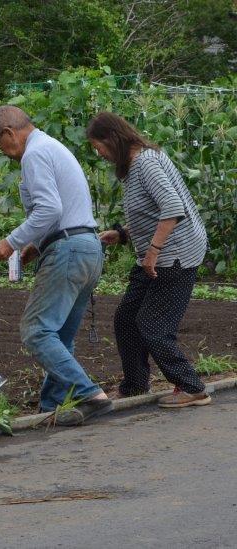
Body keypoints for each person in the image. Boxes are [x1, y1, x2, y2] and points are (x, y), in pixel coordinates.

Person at [0, 106, 111, 425]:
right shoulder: (52, 146)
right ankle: (50, 406)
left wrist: (12, 242)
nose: (2, 152)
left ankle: (89, 394)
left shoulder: (34, 154)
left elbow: (49, 210)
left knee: (36, 331)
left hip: (69, 250)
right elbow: (63, 209)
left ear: (9, 133)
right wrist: (35, 245)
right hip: (88, 246)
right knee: (60, 336)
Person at [87, 111, 211, 408]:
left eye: (98, 146)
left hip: (175, 255)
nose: (99, 153)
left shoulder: (146, 163)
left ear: (112, 138)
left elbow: (172, 208)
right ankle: (135, 386)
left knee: (153, 325)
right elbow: (153, 211)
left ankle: (192, 387)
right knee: (126, 319)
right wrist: (123, 234)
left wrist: (153, 251)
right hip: (158, 255)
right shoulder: (137, 164)